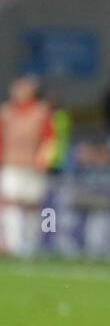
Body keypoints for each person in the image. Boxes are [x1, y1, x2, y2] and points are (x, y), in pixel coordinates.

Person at [0, 77, 56, 256]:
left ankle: (30, 244)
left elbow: (49, 139)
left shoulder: (41, 111)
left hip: (33, 165)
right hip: (11, 163)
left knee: (32, 205)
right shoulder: (6, 112)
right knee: (10, 202)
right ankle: (12, 244)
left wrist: (44, 159)